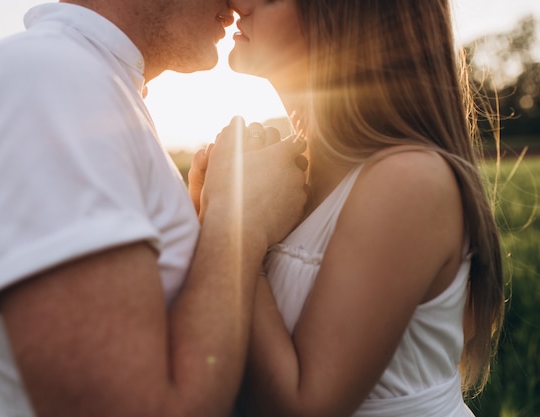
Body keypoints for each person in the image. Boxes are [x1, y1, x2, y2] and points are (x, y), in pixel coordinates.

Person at [0, 0, 309, 416]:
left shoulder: (90, 85)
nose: (237, 1)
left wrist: (206, 215)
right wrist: (239, 220)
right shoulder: (45, 82)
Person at [191, 0, 505, 415]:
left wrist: (233, 219)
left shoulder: (409, 180)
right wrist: (209, 212)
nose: (239, 3)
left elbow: (302, 407)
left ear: (347, 16)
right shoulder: (283, 176)